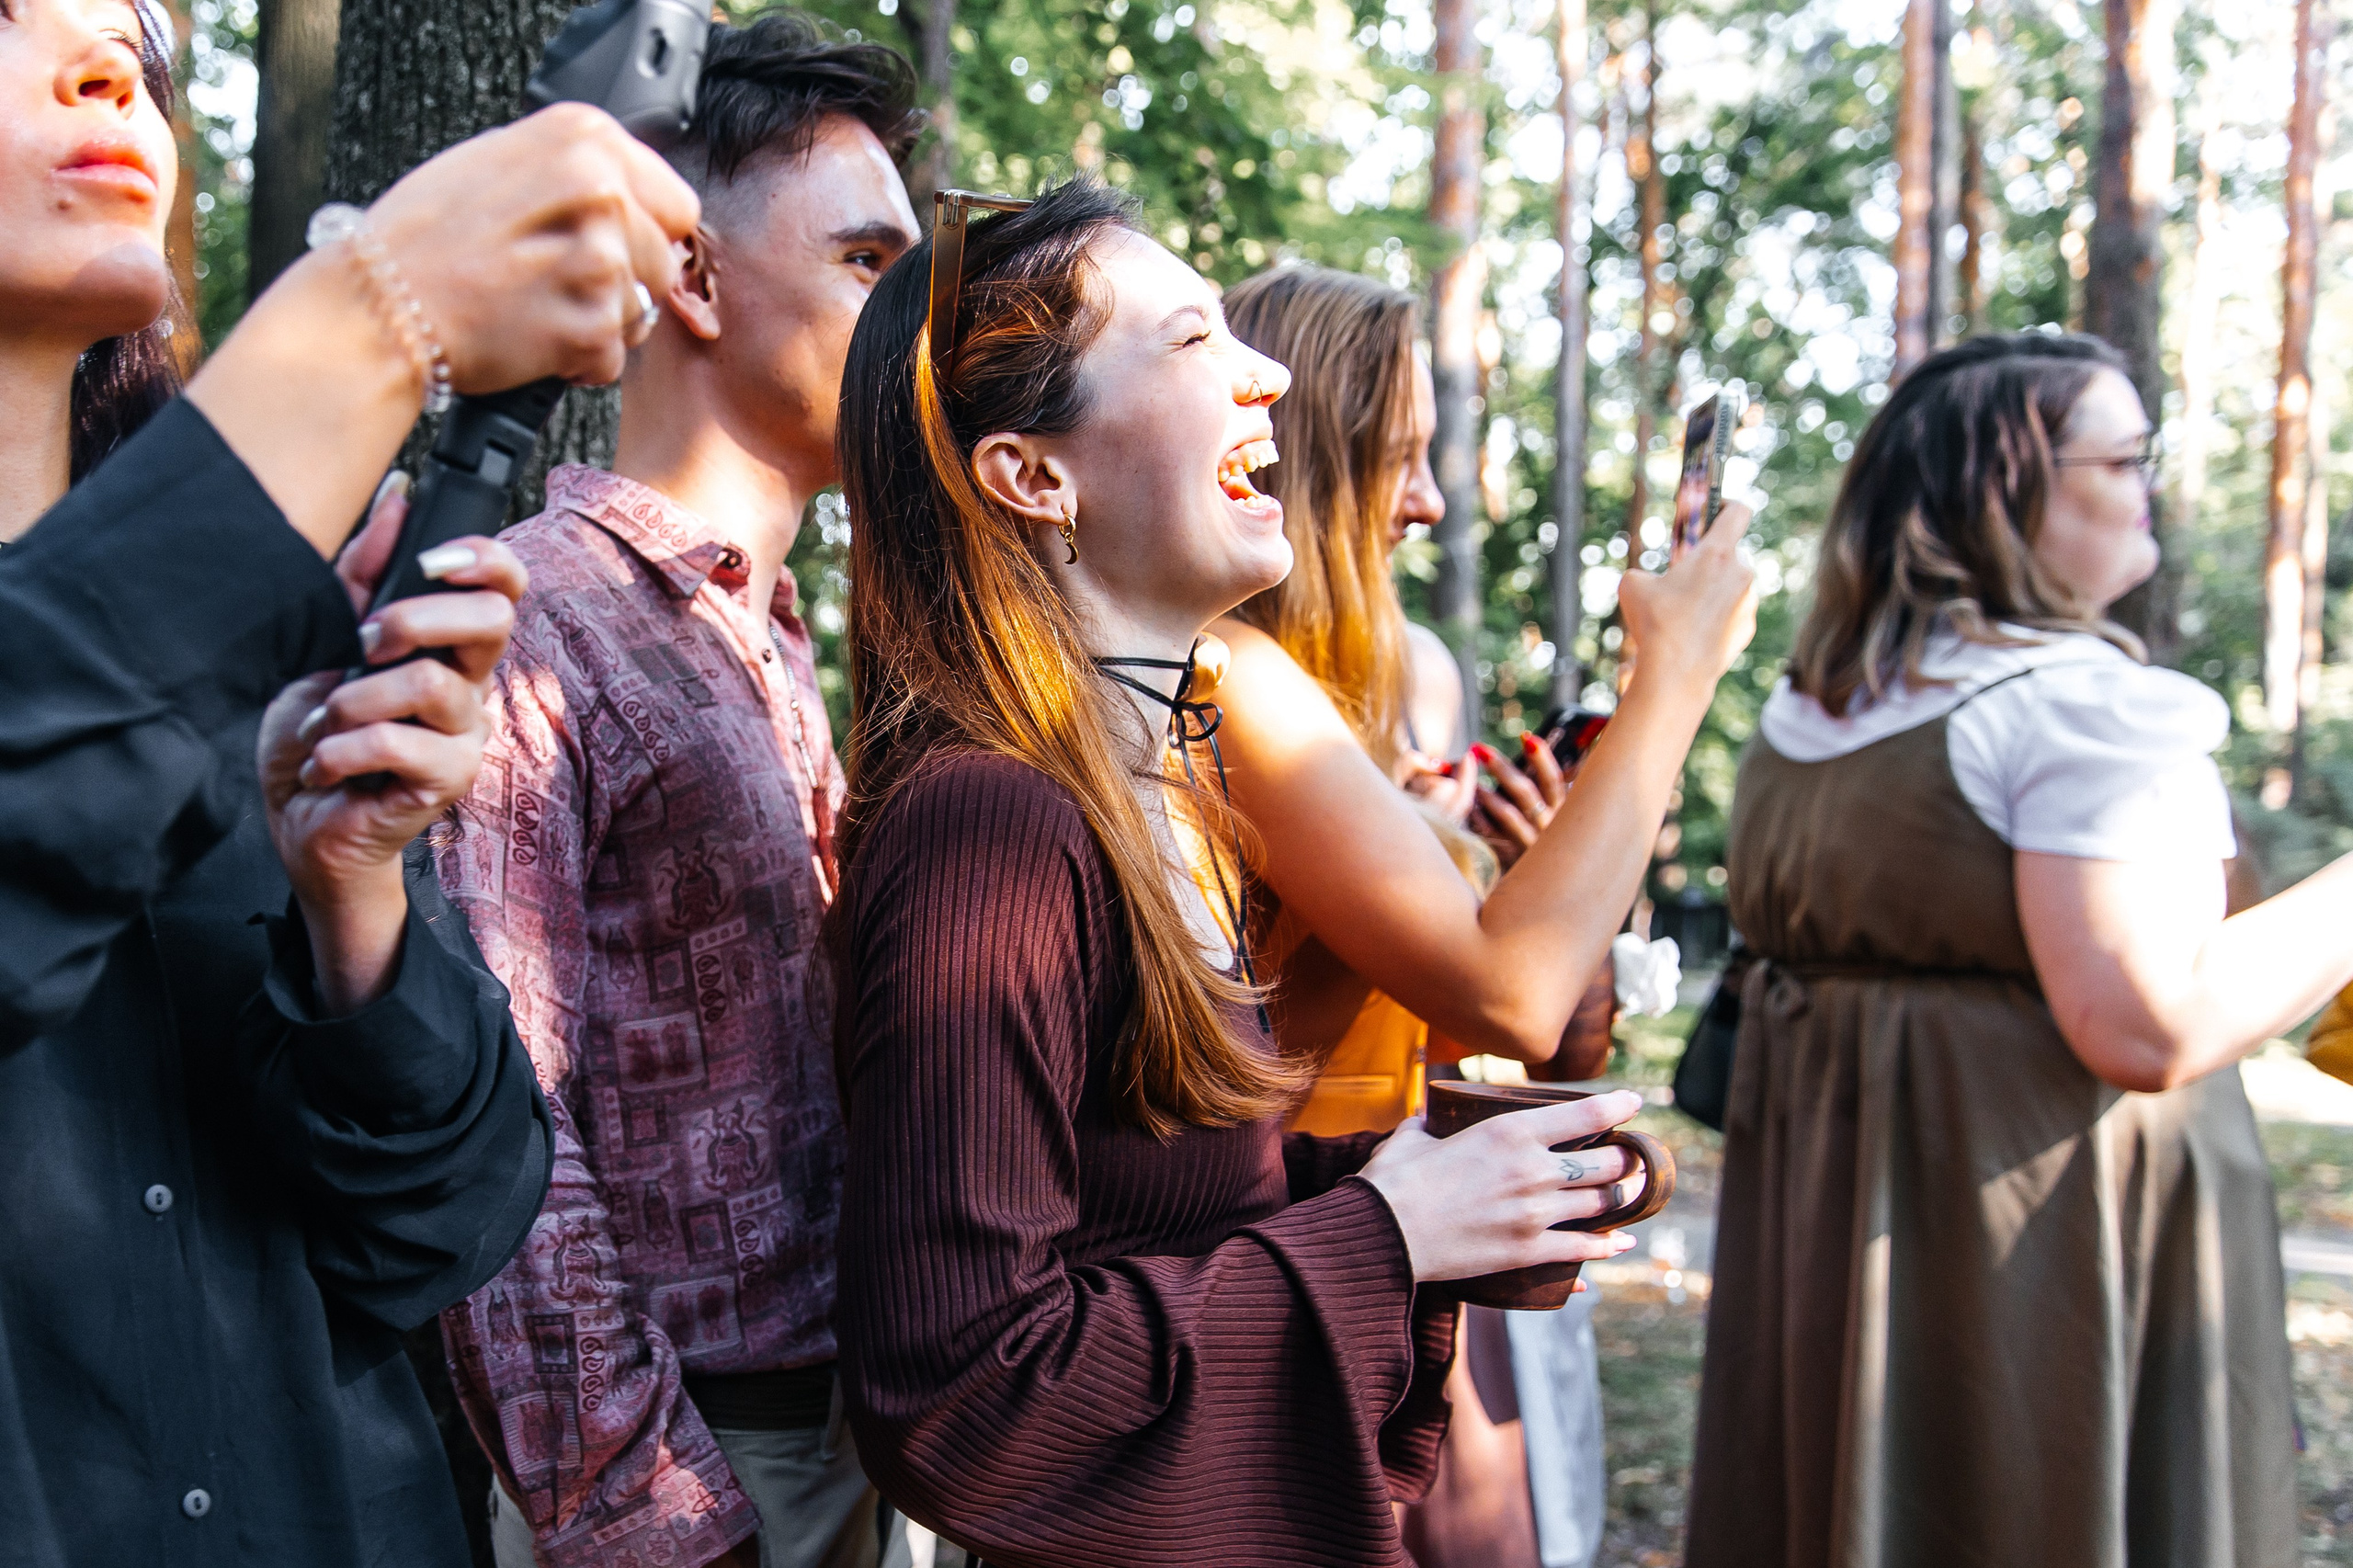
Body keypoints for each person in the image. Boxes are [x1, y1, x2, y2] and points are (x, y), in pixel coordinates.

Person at [824, 176, 1672, 1568]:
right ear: (1033, 476)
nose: (1268, 374)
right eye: (1191, 340)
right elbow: (964, 1394)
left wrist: (1422, 1185)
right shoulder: (991, 826)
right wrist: (1385, 1233)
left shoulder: (1144, 785)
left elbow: (1144, 1212)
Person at [0, 0, 700, 1562]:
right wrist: (379, 312)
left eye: (145, 48)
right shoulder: (209, 600)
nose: (113, 66)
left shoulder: (273, 640)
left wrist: (355, 897)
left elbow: (443, 1228)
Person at [1686, 332, 2353, 1568]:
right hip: (2041, 1238)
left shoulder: (1815, 706)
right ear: (2011, 494)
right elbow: (2148, 1024)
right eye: (2126, 454)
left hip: (1852, 1235)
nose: (2151, 479)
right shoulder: (2071, 707)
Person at [428, 15, 924, 1568]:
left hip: (842, 1435)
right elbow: (497, 1123)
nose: (916, 325)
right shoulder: (534, 618)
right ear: (697, 278)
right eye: (867, 266)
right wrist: (659, 1520)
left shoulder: (764, 631)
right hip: (690, 1479)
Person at [1214, 266, 1747, 1568]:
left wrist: (1527, 869)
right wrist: (1671, 681)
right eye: (1396, 460)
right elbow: (1502, 988)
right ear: (1296, 464)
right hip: (1295, 1251)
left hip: (1422, 1223)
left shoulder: (1385, 689)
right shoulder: (1228, 680)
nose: (1433, 503)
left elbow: (1531, 1029)